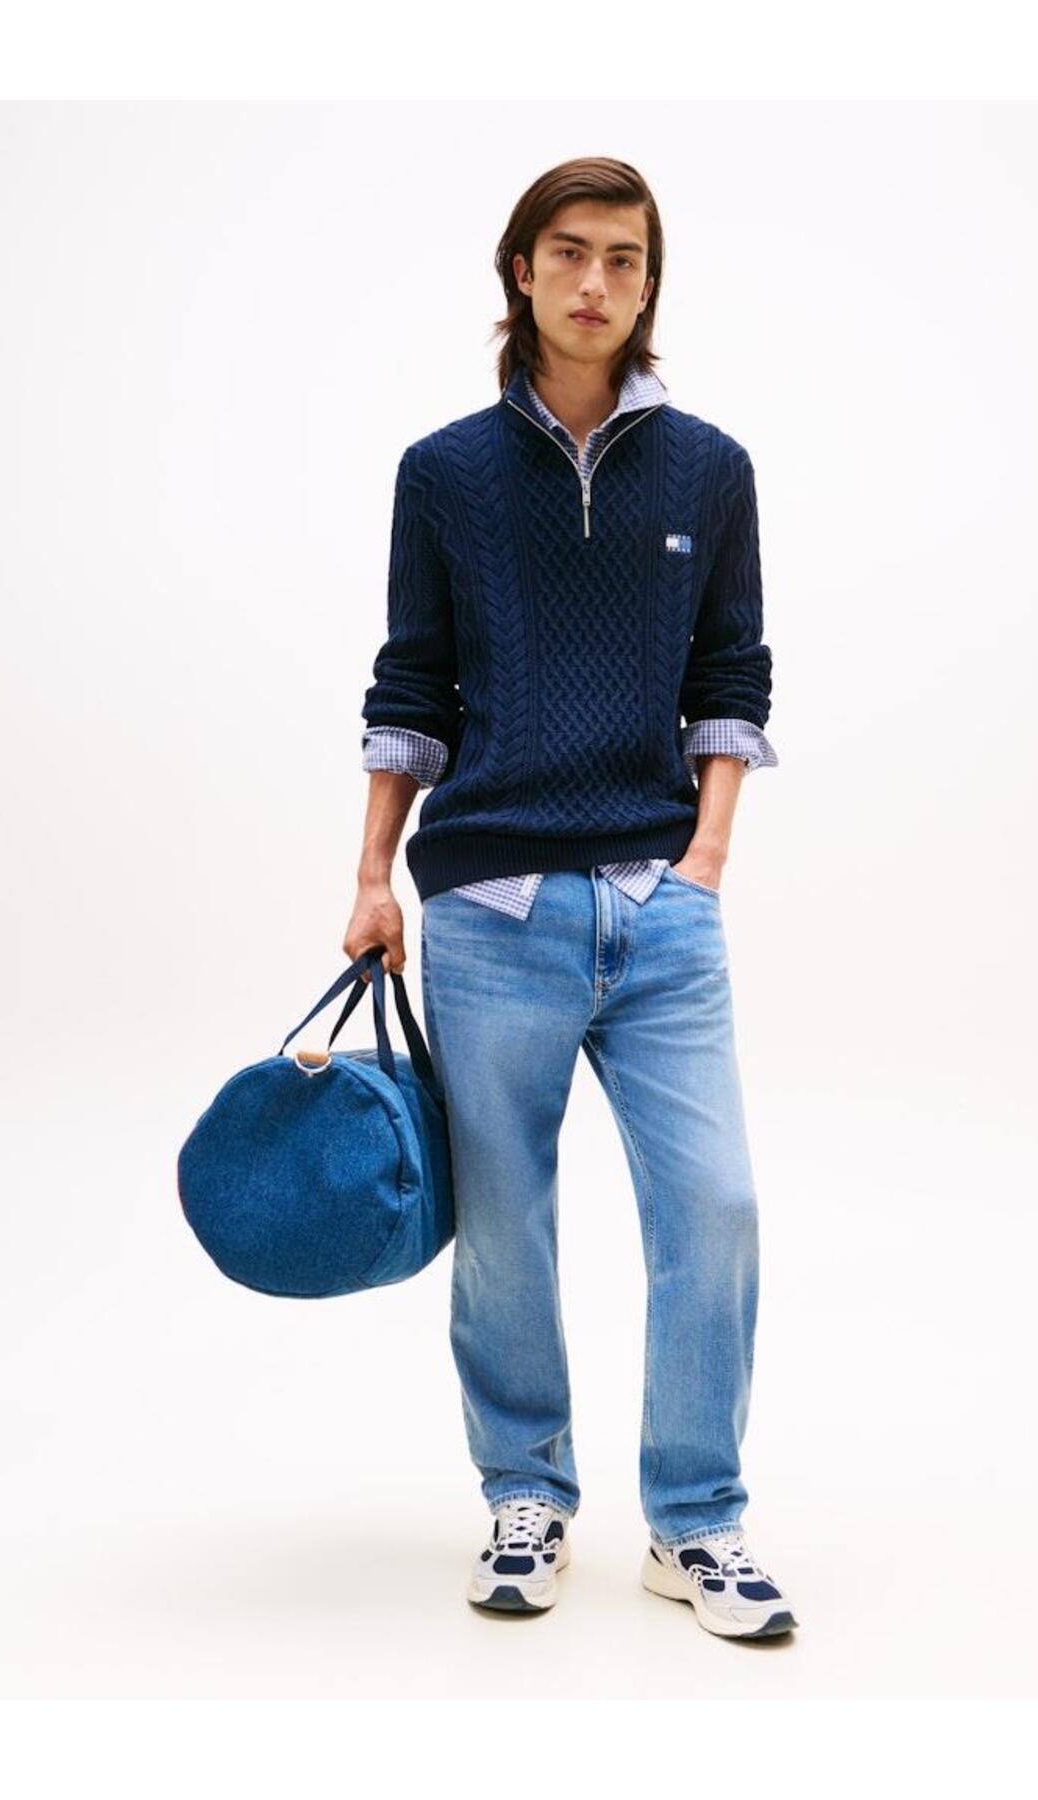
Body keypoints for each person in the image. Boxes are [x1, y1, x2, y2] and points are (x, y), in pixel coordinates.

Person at [344, 157, 798, 1640]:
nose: (597, 282)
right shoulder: (445, 474)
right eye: (570, 252)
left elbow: (731, 673)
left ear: (650, 283)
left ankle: (698, 1521)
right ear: (521, 271)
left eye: (625, 258)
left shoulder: (711, 470)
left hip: (660, 905)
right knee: (507, 1227)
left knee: (715, 1204)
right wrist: (372, 878)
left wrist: (704, 865)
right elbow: (412, 684)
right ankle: (524, 1495)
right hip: (491, 909)